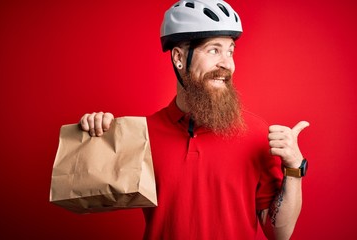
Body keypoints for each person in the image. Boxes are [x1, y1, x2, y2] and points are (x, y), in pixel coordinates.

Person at [80, 0, 309, 239]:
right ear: (179, 57)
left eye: (230, 51)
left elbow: (279, 234)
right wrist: (95, 135)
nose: (227, 64)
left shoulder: (256, 133)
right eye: (214, 50)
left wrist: (294, 169)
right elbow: (89, 196)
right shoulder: (141, 134)